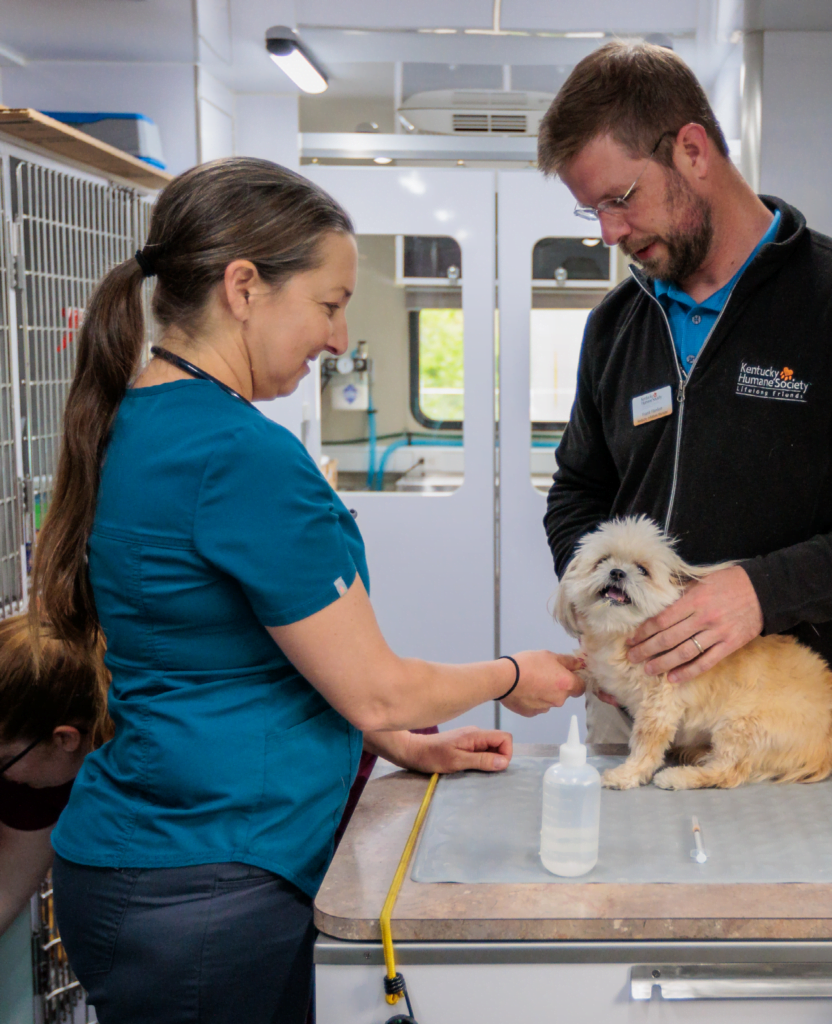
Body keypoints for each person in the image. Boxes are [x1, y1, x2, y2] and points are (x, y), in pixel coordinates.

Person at [31, 157, 583, 1024]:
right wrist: (516, 673)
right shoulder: (239, 454)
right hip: (207, 885)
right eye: (328, 305)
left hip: (148, 861)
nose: (337, 338)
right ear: (243, 286)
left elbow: (232, 660)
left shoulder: (140, 417)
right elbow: (376, 684)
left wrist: (400, 743)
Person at [537, 42, 832, 746]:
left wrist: (763, 592)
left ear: (692, 149)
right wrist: (595, 583)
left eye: (620, 200)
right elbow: (576, 492)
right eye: (591, 211)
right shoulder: (615, 325)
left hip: (778, 717)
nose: (610, 233)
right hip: (630, 711)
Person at [0, 615, 111, 938]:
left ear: (65, 739)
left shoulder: (155, 766)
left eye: (4, 760)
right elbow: (6, 890)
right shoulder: (33, 775)